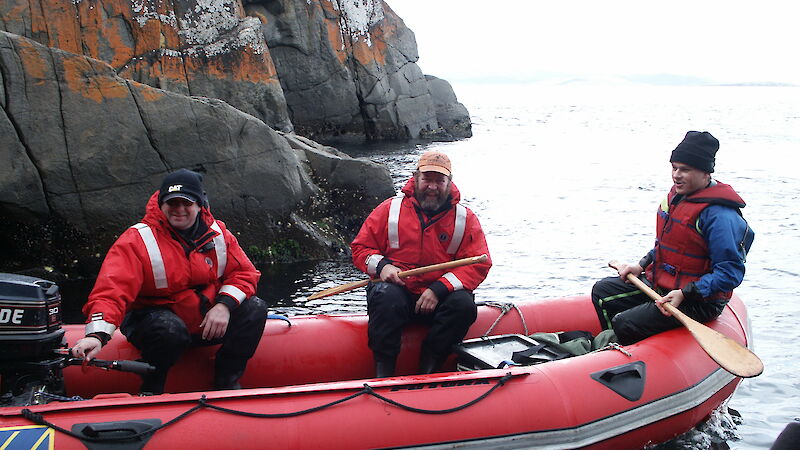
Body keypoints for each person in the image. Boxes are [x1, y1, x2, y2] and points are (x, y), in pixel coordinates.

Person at [72, 169, 267, 394]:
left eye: (187, 203)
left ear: (200, 204)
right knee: (168, 329)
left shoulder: (218, 233)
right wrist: (96, 336)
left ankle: (227, 381)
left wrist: (224, 305)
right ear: (162, 204)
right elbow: (111, 291)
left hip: (202, 318)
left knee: (256, 309)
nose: (179, 210)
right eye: (172, 203)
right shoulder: (137, 240)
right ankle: (152, 388)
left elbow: (245, 274)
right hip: (153, 321)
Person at [591, 131, 754, 345]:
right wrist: (641, 265)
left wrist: (685, 294)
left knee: (625, 322)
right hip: (664, 287)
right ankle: (615, 347)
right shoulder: (677, 198)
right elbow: (670, 247)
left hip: (698, 300)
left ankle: (624, 349)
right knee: (602, 291)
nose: (676, 175)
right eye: (674, 167)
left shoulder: (719, 216)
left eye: (685, 169)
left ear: (705, 172)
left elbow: (731, 273)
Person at [351, 151, 492, 377]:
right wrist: (383, 267)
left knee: (463, 306)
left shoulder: (465, 219)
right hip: (398, 292)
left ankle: (429, 369)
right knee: (385, 295)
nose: (432, 187)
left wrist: (438, 289)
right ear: (416, 178)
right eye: (427, 179)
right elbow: (360, 249)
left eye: (439, 180)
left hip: (438, 297)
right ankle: (383, 373)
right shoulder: (390, 209)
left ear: (449, 183)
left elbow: (479, 263)